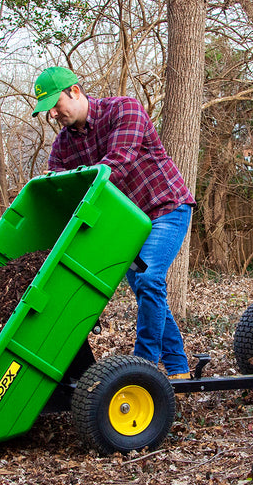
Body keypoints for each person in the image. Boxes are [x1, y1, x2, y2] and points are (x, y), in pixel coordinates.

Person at [32, 65, 195, 379]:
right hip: (127, 228)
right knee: (149, 289)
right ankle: (178, 369)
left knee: (148, 281)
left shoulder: (124, 110)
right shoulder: (62, 146)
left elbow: (116, 165)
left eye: (56, 104)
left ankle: (142, 367)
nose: (53, 113)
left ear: (75, 91)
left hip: (164, 209)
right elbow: (57, 189)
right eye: (47, 109)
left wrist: (76, 186)